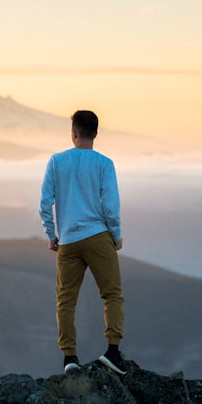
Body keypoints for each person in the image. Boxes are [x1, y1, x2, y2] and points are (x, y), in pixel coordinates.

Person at [39, 110, 127, 375]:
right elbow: (110, 207)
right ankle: (112, 351)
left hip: (67, 241)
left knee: (66, 301)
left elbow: (45, 203)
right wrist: (116, 235)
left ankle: (69, 358)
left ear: (74, 132)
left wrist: (51, 234)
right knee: (111, 294)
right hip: (98, 236)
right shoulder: (104, 164)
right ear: (96, 133)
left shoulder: (57, 161)